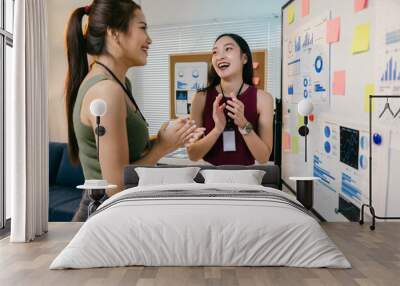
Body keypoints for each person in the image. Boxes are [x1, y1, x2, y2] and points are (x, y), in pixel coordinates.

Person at [65, 0, 204, 221]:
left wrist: (162, 139)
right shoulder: (106, 91)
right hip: (103, 216)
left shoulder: (121, 85)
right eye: (142, 27)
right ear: (114, 33)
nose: (149, 39)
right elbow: (116, 186)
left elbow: (129, 157)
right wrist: (162, 147)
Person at [187, 33, 274, 165]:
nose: (220, 56)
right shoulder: (200, 98)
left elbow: (263, 157)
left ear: (244, 58)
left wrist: (244, 125)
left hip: (248, 178)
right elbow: (193, 154)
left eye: (228, 49)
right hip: (210, 178)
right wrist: (217, 129)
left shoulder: (264, 99)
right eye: (215, 52)